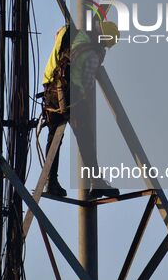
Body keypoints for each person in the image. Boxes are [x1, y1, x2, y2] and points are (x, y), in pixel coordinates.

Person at [41, 21, 120, 198]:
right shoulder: (92, 52)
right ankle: (97, 182)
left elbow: (57, 37)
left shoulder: (66, 32)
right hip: (71, 95)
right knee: (86, 139)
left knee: (54, 138)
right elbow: (86, 81)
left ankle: (51, 182)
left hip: (49, 91)